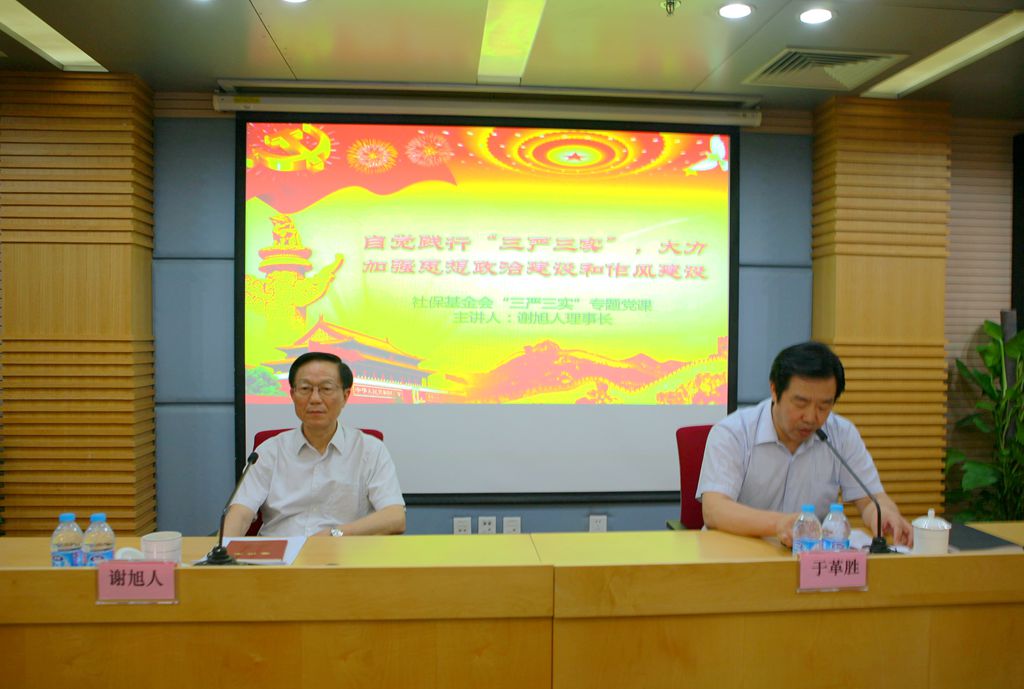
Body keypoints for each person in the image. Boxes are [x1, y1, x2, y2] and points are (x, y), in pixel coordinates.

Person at [696, 341, 912, 547]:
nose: (811, 417)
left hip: (809, 561)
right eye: (801, 403)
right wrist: (778, 524)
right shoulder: (733, 433)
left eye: (823, 406)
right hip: (739, 555)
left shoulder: (842, 435)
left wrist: (885, 514)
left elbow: (871, 500)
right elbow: (714, 510)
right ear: (774, 390)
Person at [223, 352, 406, 537]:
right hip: (279, 551)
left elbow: (395, 517)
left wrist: (335, 534)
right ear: (292, 394)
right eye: (305, 388)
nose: (315, 399)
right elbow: (241, 513)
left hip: (344, 550)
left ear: (345, 395)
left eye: (326, 388)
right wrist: (220, 550)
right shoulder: (269, 451)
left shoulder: (370, 450)